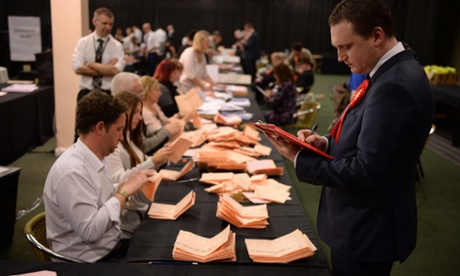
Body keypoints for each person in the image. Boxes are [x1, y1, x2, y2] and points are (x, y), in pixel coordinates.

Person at [263, 0, 434, 275]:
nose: (341, 57)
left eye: (346, 46)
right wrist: (327, 143)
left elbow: (367, 171)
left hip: (366, 228)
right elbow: (372, 138)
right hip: (363, 223)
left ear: (377, 36)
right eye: (337, 48)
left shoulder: (394, 85)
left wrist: (299, 158)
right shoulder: (392, 71)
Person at [43, 90, 156, 262]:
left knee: (162, 249)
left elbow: (98, 196)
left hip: (110, 247)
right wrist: (124, 193)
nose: (121, 137)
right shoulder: (72, 171)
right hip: (88, 262)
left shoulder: (96, 157)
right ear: (100, 128)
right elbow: (91, 231)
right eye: (119, 130)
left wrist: (126, 184)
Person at [106, 91, 171, 238]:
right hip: (130, 214)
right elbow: (118, 179)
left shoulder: (128, 136)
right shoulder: (114, 143)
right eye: (136, 112)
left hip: (140, 204)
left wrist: (156, 159)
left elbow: (139, 161)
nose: (140, 117)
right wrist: (153, 161)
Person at [111, 72, 173, 155]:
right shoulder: (118, 121)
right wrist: (166, 132)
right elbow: (143, 146)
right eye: (139, 92)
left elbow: (140, 151)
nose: (143, 96)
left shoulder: (136, 113)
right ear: (125, 94)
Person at [72, 7, 125, 101]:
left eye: (111, 24)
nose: (108, 27)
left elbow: (115, 71)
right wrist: (106, 68)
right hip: (86, 94)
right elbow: (77, 68)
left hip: (108, 94)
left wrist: (90, 64)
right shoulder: (83, 42)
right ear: (94, 21)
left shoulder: (117, 46)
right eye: (105, 23)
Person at [140, 75, 183, 150]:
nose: (160, 93)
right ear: (147, 91)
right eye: (156, 90)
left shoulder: (154, 105)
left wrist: (179, 116)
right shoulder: (144, 112)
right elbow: (161, 135)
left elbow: (167, 122)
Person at [178, 30, 222, 95]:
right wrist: (205, 85)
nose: (209, 43)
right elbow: (191, 76)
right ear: (199, 41)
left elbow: (205, 75)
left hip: (196, 89)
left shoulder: (202, 54)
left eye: (209, 41)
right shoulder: (190, 53)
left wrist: (216, 85)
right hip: (186, 91)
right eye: (206, 40)